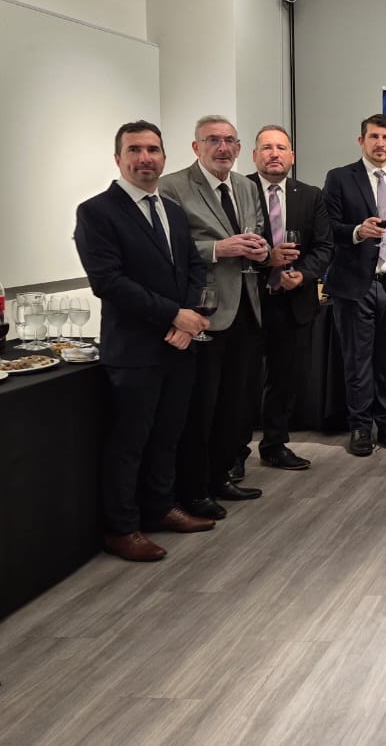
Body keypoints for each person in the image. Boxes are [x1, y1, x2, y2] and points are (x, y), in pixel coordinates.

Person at [74, 120, 214, 561]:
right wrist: (174, 314)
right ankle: (122, 528)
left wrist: (188, 320)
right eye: (134, 150)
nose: (145, 158)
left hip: (179, 346)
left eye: (153, 149)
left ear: (165, 157)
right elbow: (108, 281)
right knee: (129, 443)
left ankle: (159, 507)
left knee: (167, 436)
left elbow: (194, 268)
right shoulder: (96, 212)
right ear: (118, 158)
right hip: (133, 350)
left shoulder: (171, 209)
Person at [159, 115, 269, 519]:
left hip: (246, 309)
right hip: (204, 312)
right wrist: (219, 249)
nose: (223, 148)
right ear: (196, 147)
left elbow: (256, 230)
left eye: (229, 141)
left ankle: (221, 476)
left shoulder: (245, 185)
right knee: (200, 408)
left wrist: (261, 249)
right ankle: (193, 488)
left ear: (239, 148)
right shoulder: (172, 186)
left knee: (234, 405)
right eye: (213, 141)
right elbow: (170, 247)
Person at [322, 113, 386, 457]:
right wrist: (356, 231)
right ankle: (360, 427)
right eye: (373, 137)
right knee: (357, 361)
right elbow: (326, 228)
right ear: (361, 141)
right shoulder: (339, 178)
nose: (379, 143)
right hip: (355, 285)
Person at [247, 125, 334, 470]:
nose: (274, 154)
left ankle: (274, 445)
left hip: (293, 301)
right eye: (267, 147)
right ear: (254, 155)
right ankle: (234, 453)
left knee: (285, 379)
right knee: (241, 381)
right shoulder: (239, 190)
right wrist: (265, 260)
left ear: (292, 156)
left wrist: (304, 275)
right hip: (249, 301)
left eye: (281, 148)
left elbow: (324, 246)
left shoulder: (310, 195)